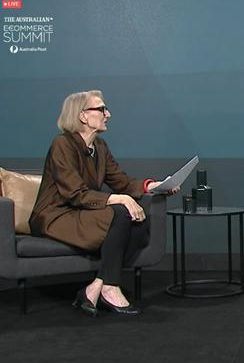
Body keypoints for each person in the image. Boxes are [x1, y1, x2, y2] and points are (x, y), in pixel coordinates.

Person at [29, 90, 178, 317]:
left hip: (80, 211)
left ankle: (100, 285)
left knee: (139, 218)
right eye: (101, 109)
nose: (107, 114)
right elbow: (74, 193)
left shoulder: (100, 147)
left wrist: (154, 186)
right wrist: (118, 198)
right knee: (122, 211)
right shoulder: (62, 144)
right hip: (55, 215)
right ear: (82, 116)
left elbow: (121, 181)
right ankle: (108, 286)